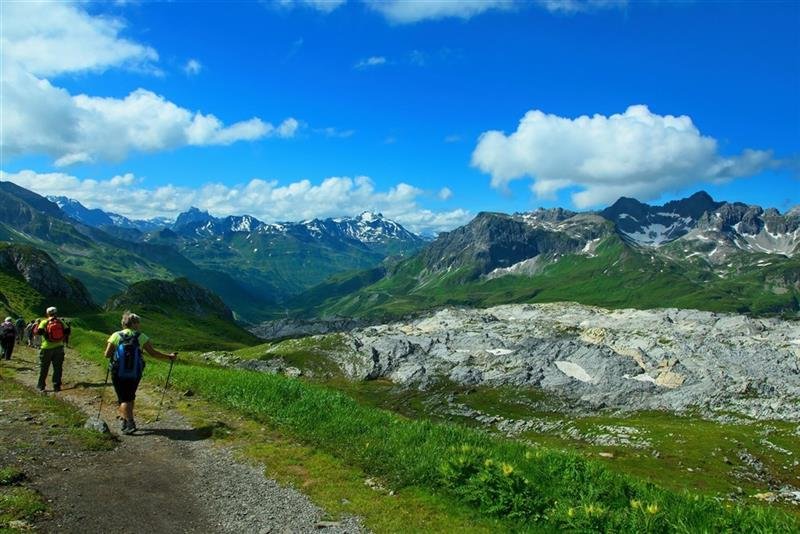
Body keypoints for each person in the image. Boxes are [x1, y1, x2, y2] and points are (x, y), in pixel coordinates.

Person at [104, 311, 176, 435]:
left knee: (123, 399)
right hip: (135, 372)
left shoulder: (116, 335)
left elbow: (107, 354)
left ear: (124, 323)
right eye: (139, 323)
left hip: (118, 372)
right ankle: (126, 421)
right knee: (130, 396)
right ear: (135, 324)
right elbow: (153, 353)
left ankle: (129, 422)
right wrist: (169, 356)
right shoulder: (141, 336)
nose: (140, 325)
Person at [35, 307, 67, 392]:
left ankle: (41, 385)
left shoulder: (44, 322)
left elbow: (39, 332)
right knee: (58, 368)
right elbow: (67, 331)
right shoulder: (61, 321)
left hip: (46, 348)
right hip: (59, 347)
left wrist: (46, 334)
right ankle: (56, 386)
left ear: (47, 313)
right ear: (56, 313)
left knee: (44, 367)